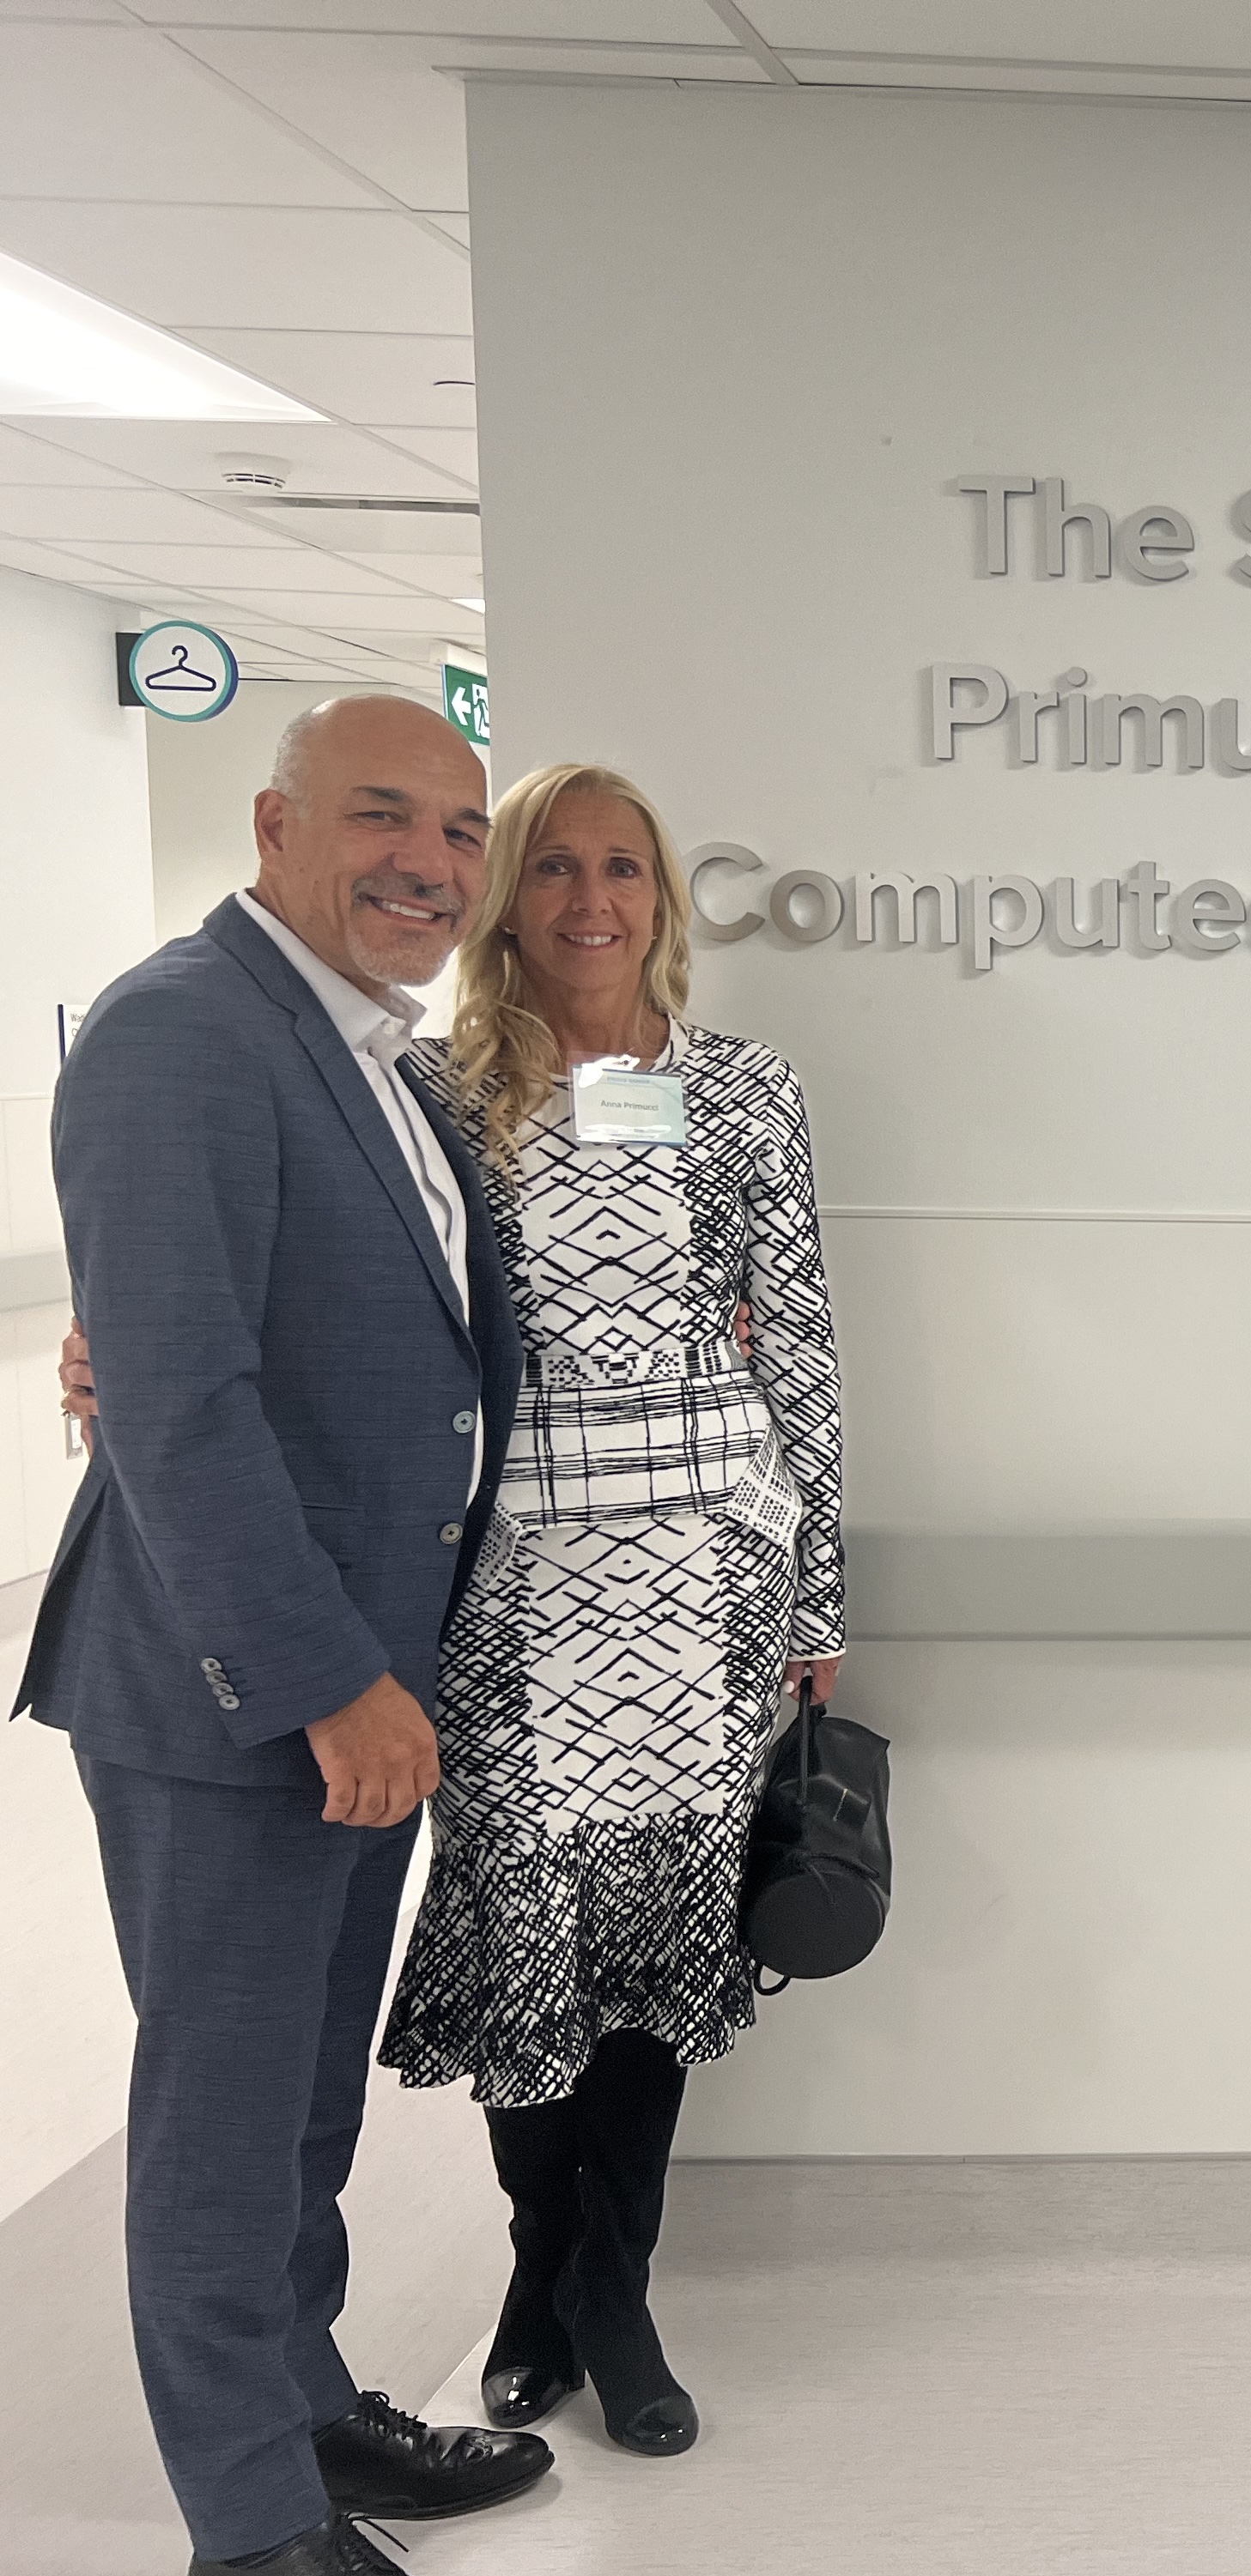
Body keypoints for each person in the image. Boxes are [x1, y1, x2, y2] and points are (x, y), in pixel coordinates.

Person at [16, 696, 550, 2576]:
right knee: (227, 2110)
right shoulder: (183, 1035)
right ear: (273, 823)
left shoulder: (369, 1055)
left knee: (305, 2094)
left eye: (460, 830)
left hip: (364, 1676)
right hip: (244, 1690)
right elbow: (182, 1405)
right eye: (383, 817)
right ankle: (253, 2529)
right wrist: (326, 1680)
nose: (430, 861)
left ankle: (307, 2403)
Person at [372, 761, 847, 2458]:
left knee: (659, 1944)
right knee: (526, 1943)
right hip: (507, 1573)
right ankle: (537, 2266)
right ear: (510, 895)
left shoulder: (739, 1090)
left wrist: (820, 1582)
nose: (592, 900)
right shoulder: (433, 1091)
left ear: (663, 896)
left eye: (624, 869)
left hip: (705, 1570)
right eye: (557, 868)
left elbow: (792, 1336)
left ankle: (611, 2289)